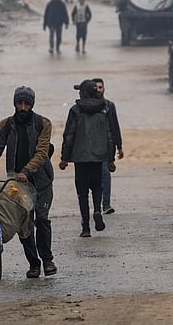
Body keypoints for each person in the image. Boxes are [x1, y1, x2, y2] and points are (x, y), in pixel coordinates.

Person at [0, 86, 57, 278]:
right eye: (19, 103)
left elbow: (42, 152)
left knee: (42, 219)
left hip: (41, 180)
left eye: (26, 104)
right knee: (24, 223)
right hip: (17, 183)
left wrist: (27, 171)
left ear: (32, 105)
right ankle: (33, 264)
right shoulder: (6, 125)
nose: (22, 108)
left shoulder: (43, 124)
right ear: (14, 104)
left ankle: (47, 260)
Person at [60, 80, 115, 237]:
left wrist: (64, 158)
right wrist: (111, 159)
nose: (78, 93)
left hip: (80, 157)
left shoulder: (75, 110)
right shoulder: (104, 109)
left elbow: (69, 135)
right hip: (99, 157)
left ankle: (85, 227)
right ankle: (97, 210)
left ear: (84, 93)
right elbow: (109, 135)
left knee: (82, 192)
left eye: (80, 91)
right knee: (97, 187)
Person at [93, 78, 124, 215]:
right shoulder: (85, 107)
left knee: (105, 175)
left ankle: (106, 204)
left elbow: (114, 127)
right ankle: (96, 207)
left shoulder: (109, 106)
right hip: (90, 148)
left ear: (104, 88)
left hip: (106, 147)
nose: (99, 90)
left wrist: (119, 146)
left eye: (101, 87)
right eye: (96, 87)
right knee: (92, 178)